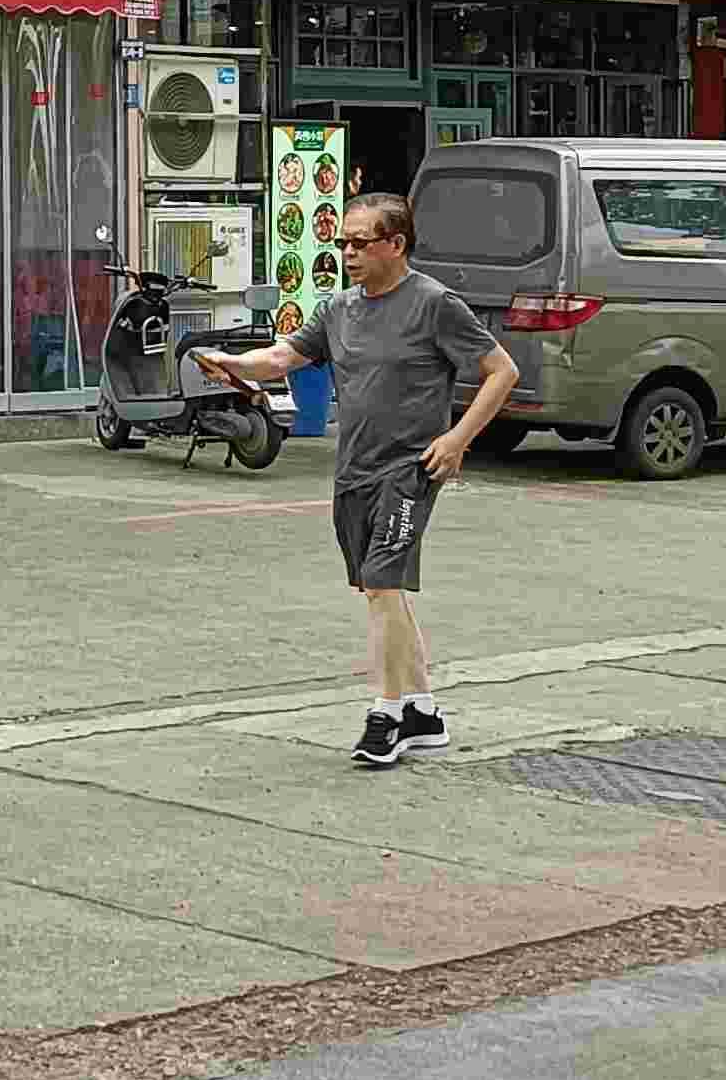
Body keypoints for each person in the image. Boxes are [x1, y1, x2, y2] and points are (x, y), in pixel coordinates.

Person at [201, 190, 520, 769]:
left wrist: (456, 439)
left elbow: (502, 370)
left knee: (381, 584)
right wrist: (233, 363)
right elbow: (282, 359)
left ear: (396, 244)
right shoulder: (338, 310)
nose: (347, 252)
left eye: (359, 242)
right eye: (341, 242)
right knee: (382, 589)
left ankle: (387, 714)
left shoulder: (434, 304)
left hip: (410, 469)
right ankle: (423, 712)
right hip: (354, 468)